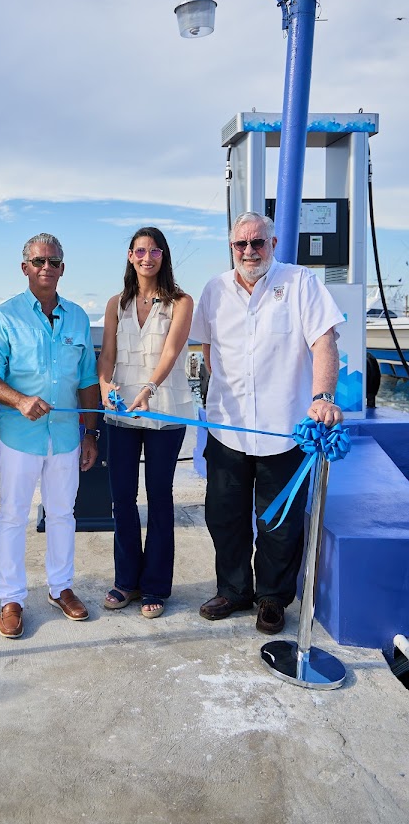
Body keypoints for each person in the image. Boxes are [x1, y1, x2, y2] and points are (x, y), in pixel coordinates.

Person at [193, 211, 344, 635]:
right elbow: (209, 350)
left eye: (258, 242)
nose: (249, 251)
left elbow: (324, 341)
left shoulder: (300, 283)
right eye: (241, 244)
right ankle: (234, 590)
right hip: (227, 427)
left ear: (273, 244)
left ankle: (273, 598)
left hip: (284, 430)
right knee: (224, 516)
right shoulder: (214, 290)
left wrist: (322, 398)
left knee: (278, 523)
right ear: (231, 248)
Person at [0, 233, 99, 639]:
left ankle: (60, 587)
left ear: (62, 268)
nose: (45, 268)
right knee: (13, 515)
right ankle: (11, 598)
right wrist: (18, 400)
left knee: (63, 514)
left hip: (67, 436)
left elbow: (87, 380)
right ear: (25, 267)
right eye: (38, 261)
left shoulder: (79, 317)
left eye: (53, 262)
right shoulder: (4, 317)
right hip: (20, 437)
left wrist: (90, 433)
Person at [98, 227, 194, 619]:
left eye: (154, 251)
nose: (147, 257)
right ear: (130, 255)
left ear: (163, 256)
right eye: (140, 250)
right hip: (120, 414)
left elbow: (171, 351)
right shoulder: (115, 304)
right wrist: (105, 386)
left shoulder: (181, 302)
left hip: (163, 410)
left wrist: (150, 389)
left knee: (159, 497)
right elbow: (107, 353)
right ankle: (126, 581)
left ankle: (155, 585)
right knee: (122, 499)